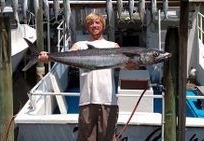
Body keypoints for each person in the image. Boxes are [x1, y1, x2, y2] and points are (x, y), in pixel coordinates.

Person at [39, 12, 138, 141]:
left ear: (102, 25)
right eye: (91, 23)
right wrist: (48, 57)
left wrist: (133, 65)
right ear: (87, 27)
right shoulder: (80, 45)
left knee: (108, 138)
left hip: (108, 101)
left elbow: (127, 67)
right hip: (87, 101)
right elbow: (67, 56)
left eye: (97, 22)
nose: (94, 25)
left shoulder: (113, 46)